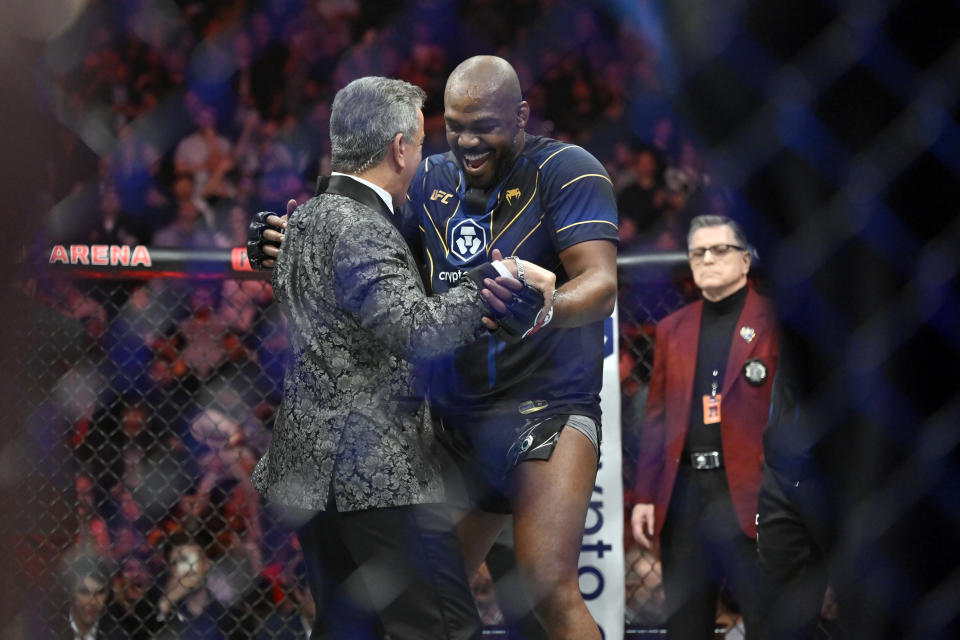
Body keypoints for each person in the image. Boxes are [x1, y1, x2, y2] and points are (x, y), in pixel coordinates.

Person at [249, 55, 619, 640]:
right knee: (418, 585)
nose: (467, 141)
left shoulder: (569, 170)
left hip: (545, 404)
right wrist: (296, 241)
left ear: (520, 116)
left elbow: (600, 284)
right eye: (454, 126)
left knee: (545, 583)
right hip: (453, 415)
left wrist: (547, 306)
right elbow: (375, 264)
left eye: (483, 125)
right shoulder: (429, 177)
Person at [630, 214, 778, 639]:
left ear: (745, 261)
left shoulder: (773, 321)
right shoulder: (673, 328)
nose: (707, 259)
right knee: (686, 623)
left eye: (719, 250)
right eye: (698, 252)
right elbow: (655, 418)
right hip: (686, 491)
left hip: (755, 488)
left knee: (768, 615)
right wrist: (644, 495)